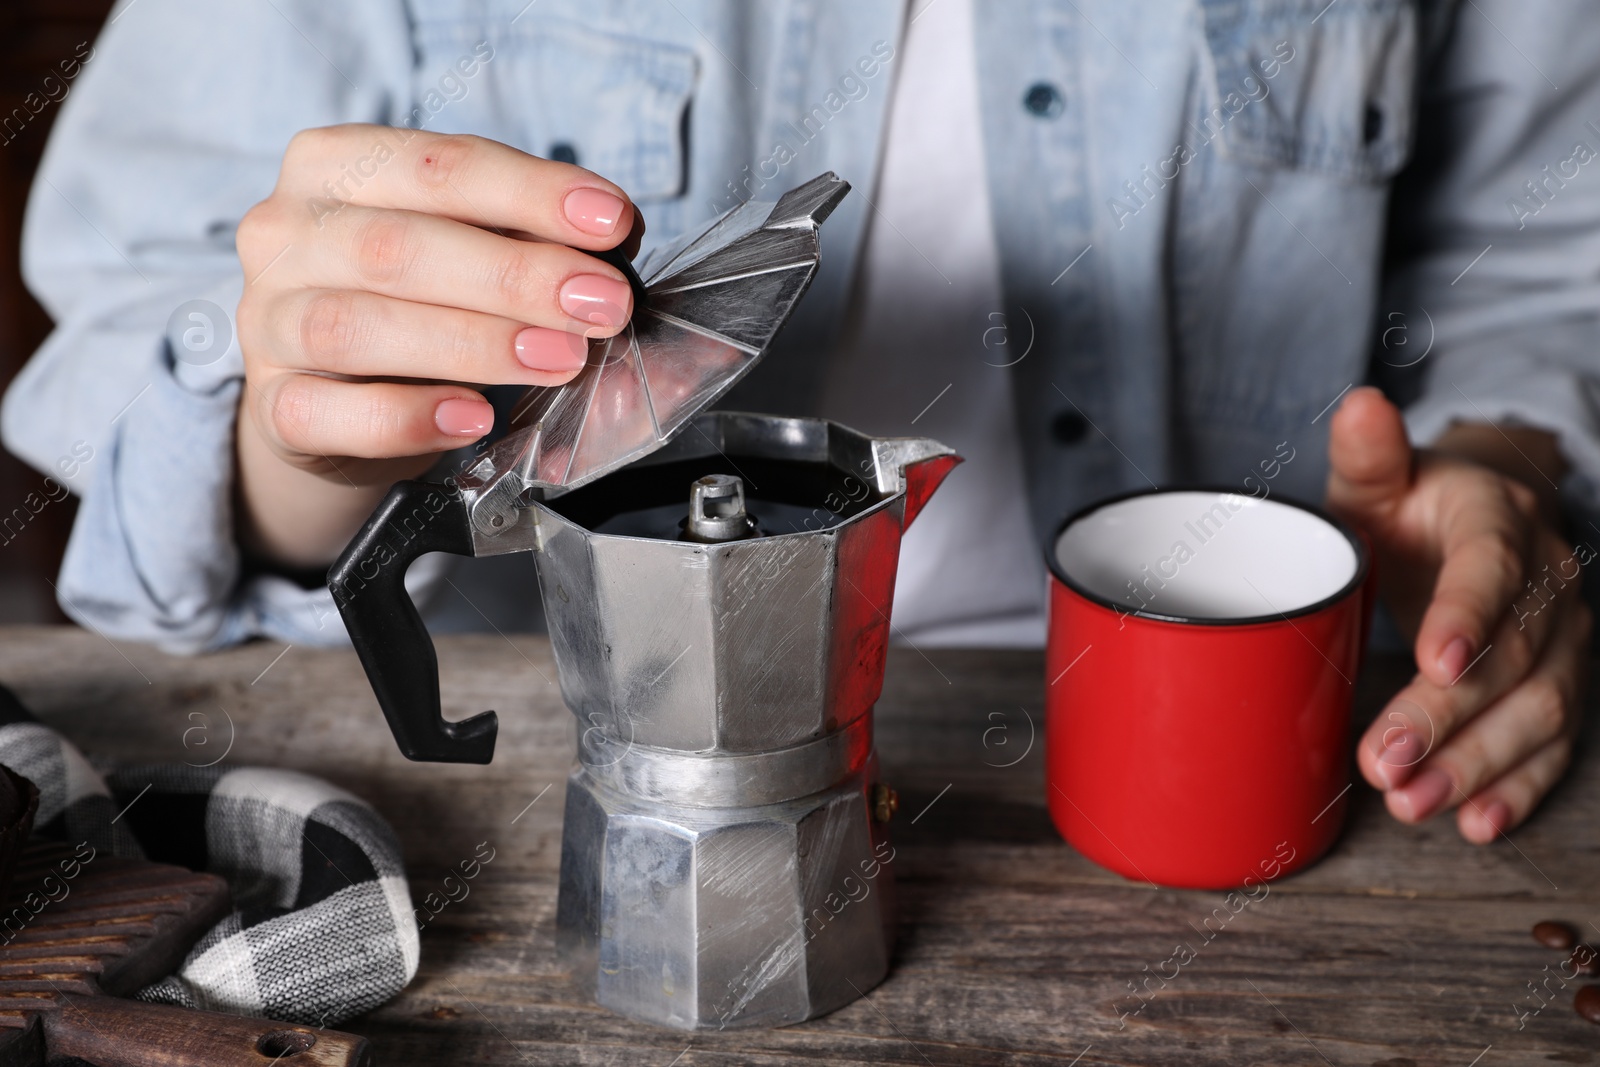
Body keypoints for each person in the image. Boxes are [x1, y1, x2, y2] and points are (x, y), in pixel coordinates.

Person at [2, 0, 1596, 848]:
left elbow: (1546, 259)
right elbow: (151, 315)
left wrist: (1506, 466)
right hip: (536, 768)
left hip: (1237, 744)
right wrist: (310, 433)